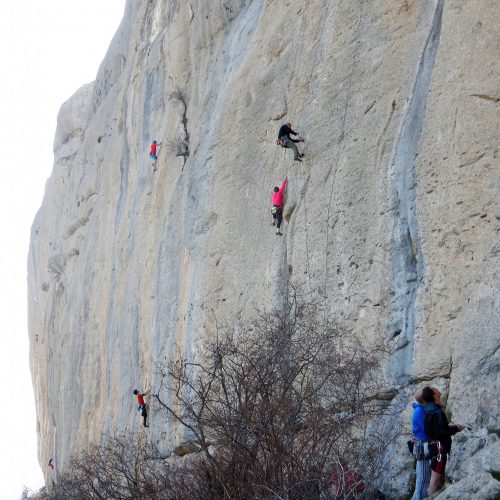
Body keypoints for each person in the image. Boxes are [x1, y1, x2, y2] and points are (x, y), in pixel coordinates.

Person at [421, 386, 464, 495]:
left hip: (434, 445)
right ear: (434, 395)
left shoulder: (428, 410)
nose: (436, 388)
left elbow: (433, 430)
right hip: (441, 447)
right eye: (434, 389)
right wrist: (456, 428)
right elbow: (442, 431)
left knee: (437, 478)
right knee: (435, 481)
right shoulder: (437, 411)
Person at [411, 389, 432, 500]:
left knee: (422, 480)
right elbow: (427, 430)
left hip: (422, 445)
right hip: (422, 446)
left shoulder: (421, 409)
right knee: (423, 480)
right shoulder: (419, 412)